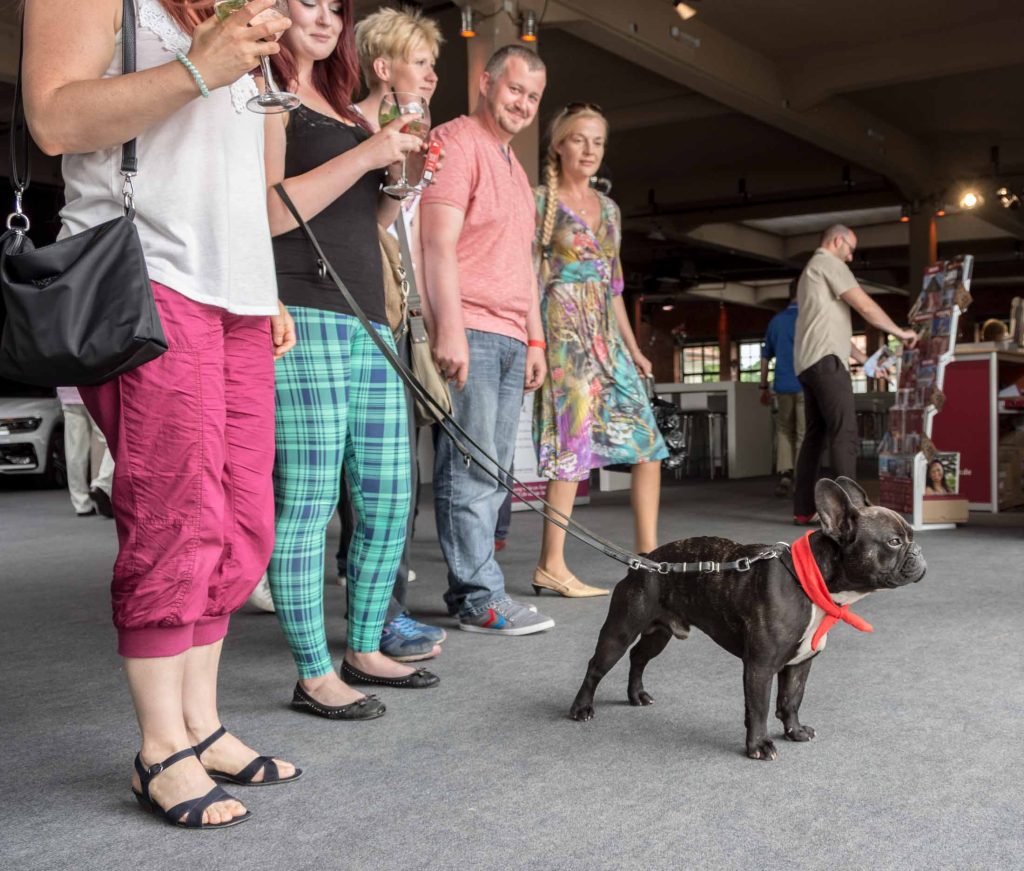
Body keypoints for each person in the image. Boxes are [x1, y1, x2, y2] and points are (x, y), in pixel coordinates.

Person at [24, 0, 299, 829]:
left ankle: (201, 721)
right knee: (173, 516)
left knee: (241, 520)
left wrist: (268, 282)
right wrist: (195, 68)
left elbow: (234, 174)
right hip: (147, 274)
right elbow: (52, 118)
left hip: (239, 289)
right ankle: (158, 749)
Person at [265, 0, 439, 719]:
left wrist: (404, 179)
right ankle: (312, 672)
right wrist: (368, 154)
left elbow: (367, 220)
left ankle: (364, 645)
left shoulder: (341, 106)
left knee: (390, 493)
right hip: (301, 309)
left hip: (370, 315)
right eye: (307, 2)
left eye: (336, 7)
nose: (326, 17)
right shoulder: (266, 94)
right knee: (307, 499)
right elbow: (270, 210)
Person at [420, 45, 554, 634]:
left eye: (532, 97)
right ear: (486, 81)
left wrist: (536, 339)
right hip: (469, 327)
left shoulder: (515, 168)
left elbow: (524, 265)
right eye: (515, 89)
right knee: (470, 470)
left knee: (494, 474)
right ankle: (478, 599)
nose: (522, 104)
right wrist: (448, 328)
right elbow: (436, 243)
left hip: (507, 334)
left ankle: (478, 591)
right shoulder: (455, 141)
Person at [531, 103, 667, 597]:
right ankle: (551, 563)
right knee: (572, 448)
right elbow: (530, 280)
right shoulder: (540, 202)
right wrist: (536, 342)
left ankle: (649, 559)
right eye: (579, 139)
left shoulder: (609, 210)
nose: (589, 150)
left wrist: (633, 349)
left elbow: (613, 287)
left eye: (598, 142)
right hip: (564, 336)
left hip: (606, 337)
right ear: (559, 145)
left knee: (648, 444)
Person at [792, 225, 918, 524]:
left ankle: (803, 509)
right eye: (850, 249)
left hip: (810, 362)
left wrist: (865, 360)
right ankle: (850, 513)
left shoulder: (810, 271)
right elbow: (864, 305)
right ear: (837, 241)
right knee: (844, 433)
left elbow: (829, 329)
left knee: (815, 436)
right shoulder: (828, 263)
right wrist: (899, 332)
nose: (850, 257)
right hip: (827, 362)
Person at [759, 281, 804, 498]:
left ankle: (786, 473)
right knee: (804, 432)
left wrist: (763, 385)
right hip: (806, 384)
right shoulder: (808, 319)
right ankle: (802, 477)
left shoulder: (776, 321)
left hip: (783, 384)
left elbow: (766, 355)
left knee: (785, 429)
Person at [57, 386, 115, 518]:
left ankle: (81, 504)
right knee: (113, 441)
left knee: (75, 452)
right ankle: (102, 484)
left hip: (67, 393)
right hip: (93, 391)